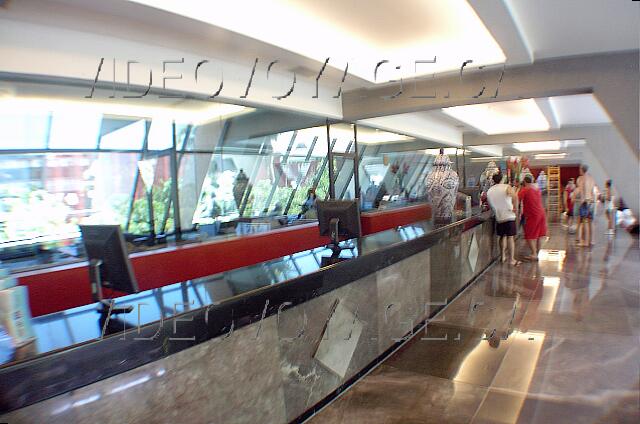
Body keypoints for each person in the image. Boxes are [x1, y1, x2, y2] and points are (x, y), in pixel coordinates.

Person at [486, 172, 520, 266]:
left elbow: (489, 204)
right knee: (510, 237)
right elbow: (515, 197)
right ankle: (512, 259)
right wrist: (515, 208)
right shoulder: (506, 187)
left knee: (502, 236)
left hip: (499, 216)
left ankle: (503, 256)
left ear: (493, 180)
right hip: (509, 215)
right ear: (502, 179)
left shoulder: (490, 191)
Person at [518, 175, 547, 261]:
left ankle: (534, 254)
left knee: (529, 235)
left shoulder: (525, 189)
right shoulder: (537, 189)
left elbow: (516, 198)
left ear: (525, 182)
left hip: (532, 214)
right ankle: (536, 254)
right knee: (538, 235)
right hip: (541, 213)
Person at [573, 164, 596, 247]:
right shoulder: (591, 178)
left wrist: (577, 198)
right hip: (592, 202)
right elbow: (593, 190)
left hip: (585, 202)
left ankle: (585, 242)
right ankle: (592, 240)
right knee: (591, 222)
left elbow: (581, 190)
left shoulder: (582, 179)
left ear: (581, 170)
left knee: (585, 222)